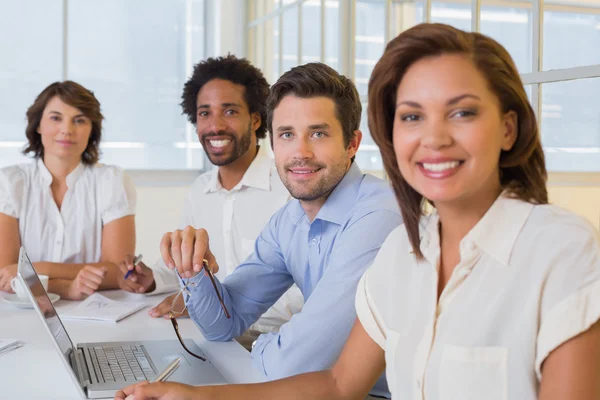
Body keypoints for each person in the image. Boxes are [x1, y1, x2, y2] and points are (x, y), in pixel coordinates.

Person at [115, 23, 600, 400]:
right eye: (412, 116)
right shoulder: (407, 252)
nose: (433, 138)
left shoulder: (561, 249)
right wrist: (196, 391)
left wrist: (254, 351)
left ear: (509, 129)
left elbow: (307, 369)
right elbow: (337, 384)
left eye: (462, 112)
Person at [117, 61, 402, 398]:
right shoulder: (290, 220)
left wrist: (262, 344)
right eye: (287, 135)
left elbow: (295, 363)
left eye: (318, 133)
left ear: (352, 143)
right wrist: (194, 272)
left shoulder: (380, 215)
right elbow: (221, 325)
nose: (300, 152)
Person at [117, 55, 303, 342]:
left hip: (276, 338)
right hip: (215, 335)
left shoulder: (291, 189)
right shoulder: (200, 190)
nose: (214, 126)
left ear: (255, 119)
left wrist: (208, 306)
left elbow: (302, 292)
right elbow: (186, 267)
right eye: (204, 113)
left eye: (229, 112)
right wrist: (151, 279)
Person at [0, 81, 137, 301]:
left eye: (79, 120)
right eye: (56, 118)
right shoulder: (10, 182)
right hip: (23, 312)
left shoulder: (112, 181)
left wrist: (37, 269)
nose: (67, 130)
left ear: (92, 129)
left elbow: (118, 272)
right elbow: (6, 276)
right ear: (38, 125)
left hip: (96, 312)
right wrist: (67, 288)